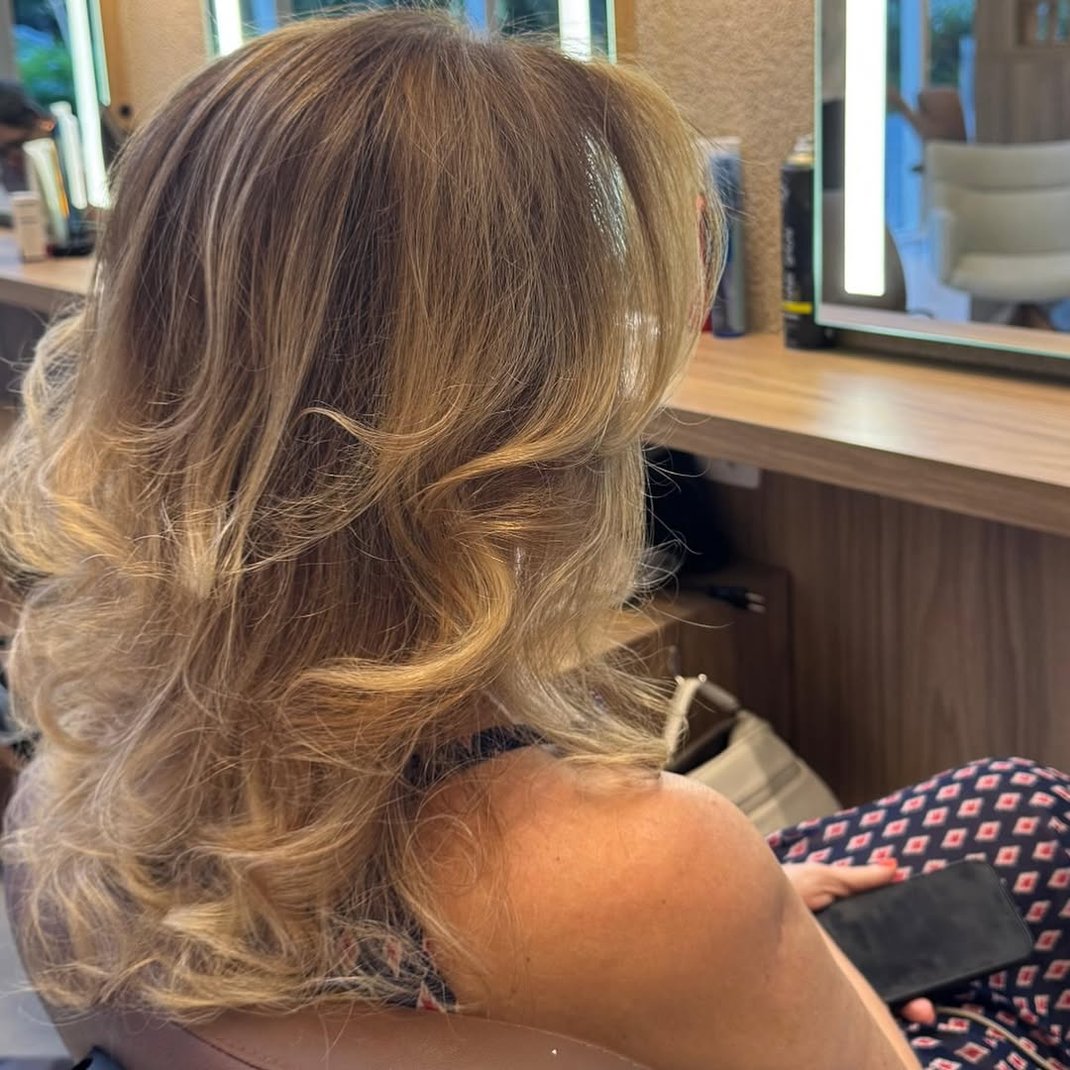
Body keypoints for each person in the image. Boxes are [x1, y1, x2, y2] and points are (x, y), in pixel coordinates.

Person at [0, 13, 1066, 1070]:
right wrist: (802, 965)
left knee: (1013, 810)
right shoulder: (640, 862)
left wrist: (736, 939)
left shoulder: (66, 801)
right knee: (1038, 827)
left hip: (519, 961)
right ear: (525, 432)